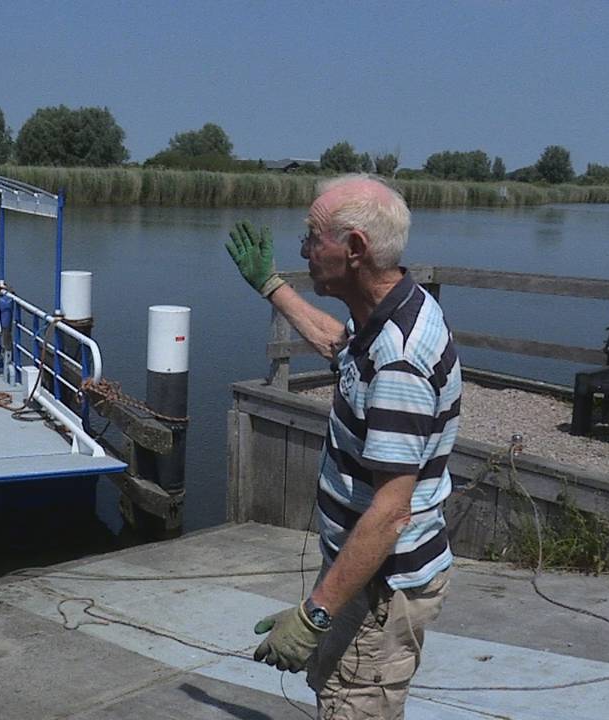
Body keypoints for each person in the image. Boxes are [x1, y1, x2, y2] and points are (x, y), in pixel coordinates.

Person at [226, 175, 460, 719]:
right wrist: (271, 287)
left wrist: (316, 614)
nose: (303, 251)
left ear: (354, 249)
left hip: (382, 584)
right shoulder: (389, 313)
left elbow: (391, 512)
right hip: (366, 575)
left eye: (312, 238)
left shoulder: (400, 360)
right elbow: (342, 349)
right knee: (335, 687)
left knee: (353, 703)